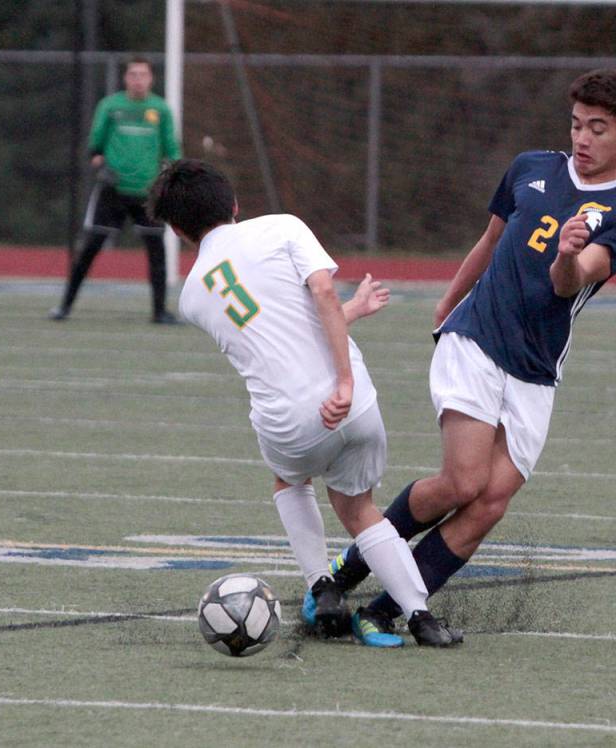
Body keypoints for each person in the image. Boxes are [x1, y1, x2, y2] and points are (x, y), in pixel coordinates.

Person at [328, 69, 616, 640]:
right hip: (476, 336)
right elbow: (491, 239)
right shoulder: (531, 167)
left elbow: (566, 285)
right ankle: (341, 576)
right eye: (577, 124)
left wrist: (567, 254)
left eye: (598, 129)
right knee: (461, 481)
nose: (582, 138)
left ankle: (384, 610)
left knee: (490, 501)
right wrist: (449, 301)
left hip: (536, 367)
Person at [148, 158, 462, 648]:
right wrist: (343, 377)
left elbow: (275, 336)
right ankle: (423, 618)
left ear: (178, 230)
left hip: (288, 422)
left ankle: (321, 584)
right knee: (360, 509)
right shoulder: (282, 226)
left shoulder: (190, 297)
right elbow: (319, 295)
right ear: (233, 203)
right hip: (356, 404)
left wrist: (346, 319)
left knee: (289, 479)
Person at [50, 56, 182, 323]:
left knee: (157, 250)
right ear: (125, 78)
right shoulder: (111, 106)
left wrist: (172, 177)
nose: (138, 80)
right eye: (133, 74)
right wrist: (99, 162)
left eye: (142, 75)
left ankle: (159, 312)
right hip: (113, 192)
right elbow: (95, 146)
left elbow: (172, 149)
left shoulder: (161, 110)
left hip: (147, 193)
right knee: (90, 248)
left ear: (151, 78)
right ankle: (65, 306)